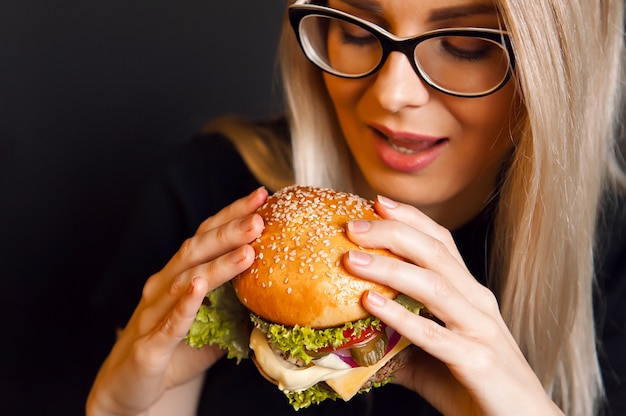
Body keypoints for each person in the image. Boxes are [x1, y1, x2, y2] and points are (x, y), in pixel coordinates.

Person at [86, 0, 626, 415]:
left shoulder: (614, 255)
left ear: (555, 60)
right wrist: (119, 406)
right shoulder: (210, 199)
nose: (393, 92)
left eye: (464, 43)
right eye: (358, 30)